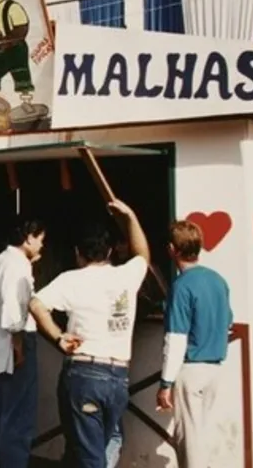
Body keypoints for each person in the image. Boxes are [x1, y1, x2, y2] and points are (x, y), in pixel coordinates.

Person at [28, 200, 150, 468]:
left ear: (77, 253)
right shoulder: (126, 277)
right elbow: (143, 254)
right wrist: (130, 217)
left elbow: (36, 304)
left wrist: (58, 336)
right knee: (93, 449)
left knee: (87, 455)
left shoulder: (71, 279)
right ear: (109, 250)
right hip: (117, 376)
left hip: (82, 374)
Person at [157, 220, 233, 468]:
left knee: (189, 441)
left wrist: (165, 383)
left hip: (191, 368)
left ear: (171, 249)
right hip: (215, 367)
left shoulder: (181, 287)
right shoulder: (218, 281)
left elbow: (176, 340)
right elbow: (228, 323)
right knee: (203, 436)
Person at [0, 215, 46, 468]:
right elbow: (14, 307)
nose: (42, 245)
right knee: (19, 418)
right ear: (29, 237)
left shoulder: (1, 259)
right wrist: (18, 343)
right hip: (15, 340)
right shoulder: (17, 264)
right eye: (40, 239)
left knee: (2, 414)